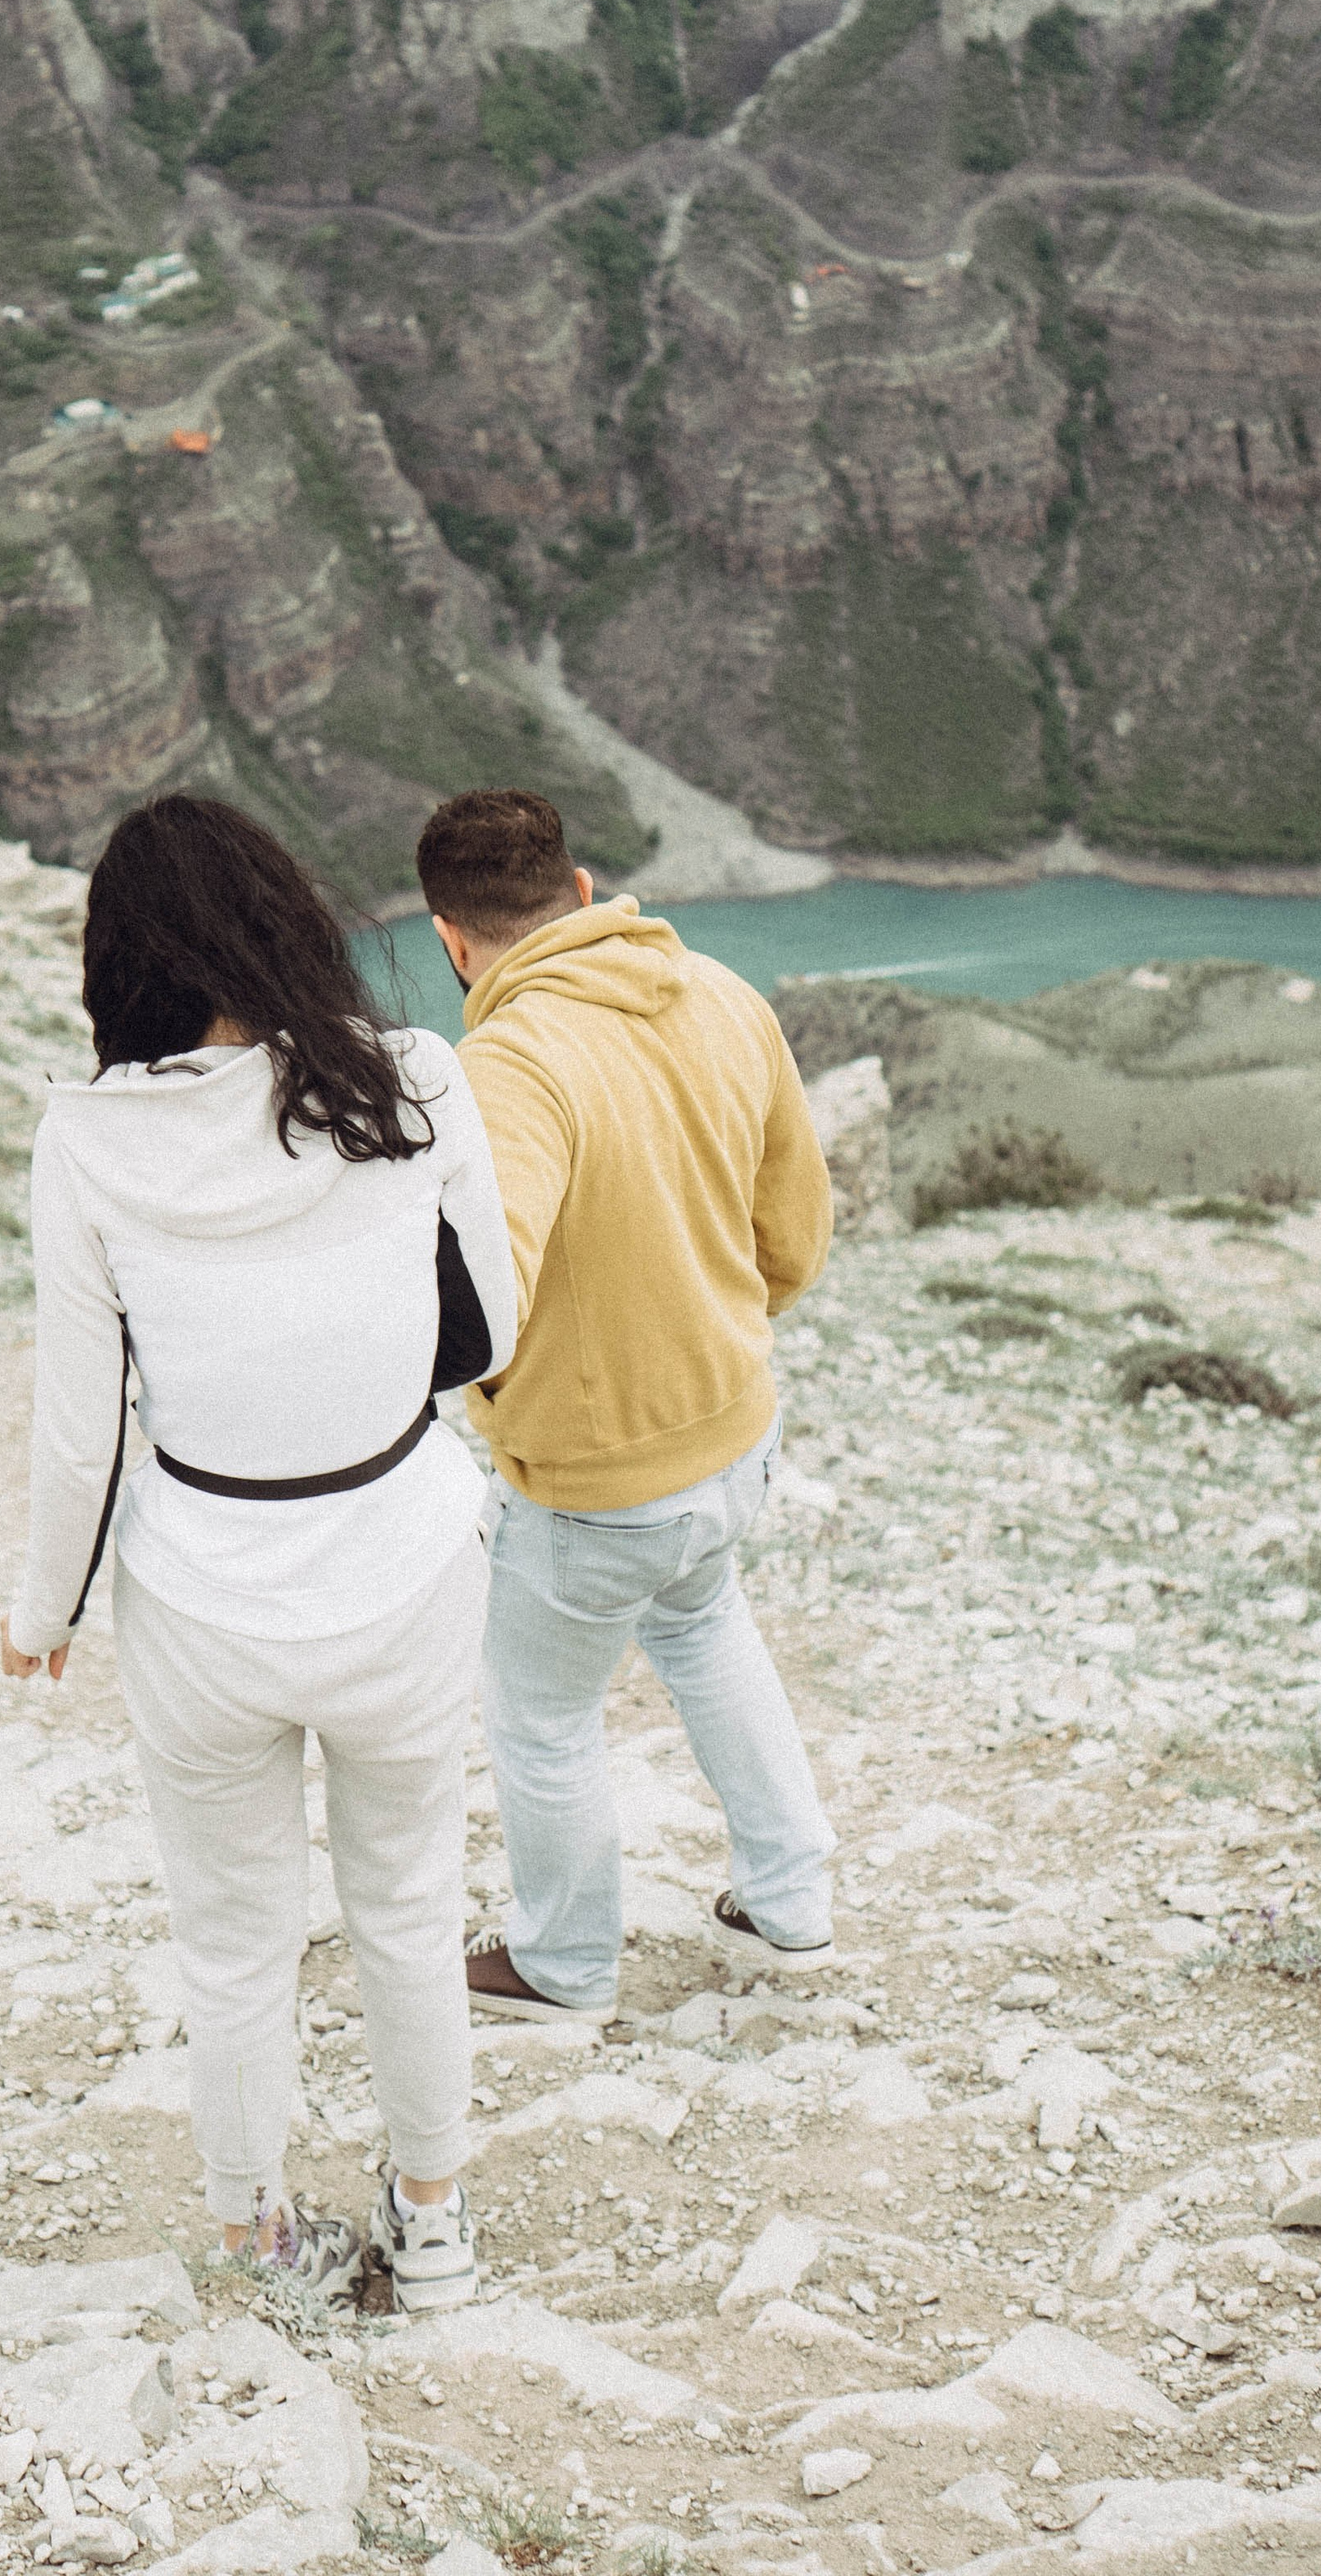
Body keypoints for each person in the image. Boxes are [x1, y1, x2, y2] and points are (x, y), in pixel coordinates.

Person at [0, 793, 517, 2311]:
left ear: (121, 969)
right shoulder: (412, 1081)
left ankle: (257, 2242)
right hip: (403, 1560)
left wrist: (43, 1610)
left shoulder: (85, 1142)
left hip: (202, 1591)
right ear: (283, 920)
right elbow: (488, 1334)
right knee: (410, 1915)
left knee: (232, 1946)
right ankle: (431, 2231)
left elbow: (76, 1425)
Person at [414, 787, 838, 2025]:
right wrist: (712, 1336)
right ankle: (790, 1905)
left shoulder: (512, 1062)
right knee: (707, 1634)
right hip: (736, 1433)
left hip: (597, 1483)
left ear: (452, 939)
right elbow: (795, 1236)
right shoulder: (722, 994)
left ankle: (563, 1965)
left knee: (541, 1718)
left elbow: (491, 1283)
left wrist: (497, 1398)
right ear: (584, 890)